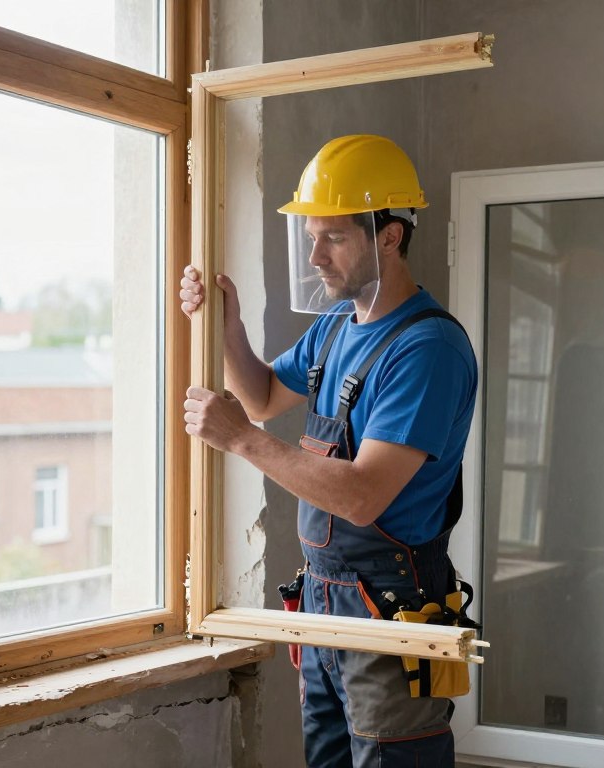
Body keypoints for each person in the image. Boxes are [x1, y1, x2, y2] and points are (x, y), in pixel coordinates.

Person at [180, 134, 477, 768]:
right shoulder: (336, 326)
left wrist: (240, 441)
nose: (315, 255)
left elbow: (364, 495)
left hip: (391, 605)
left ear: (389, 236)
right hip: (323, 597)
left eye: (334, 237)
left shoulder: (426, 349)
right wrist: (226, 324)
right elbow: (259, 395)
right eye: (309, 236)